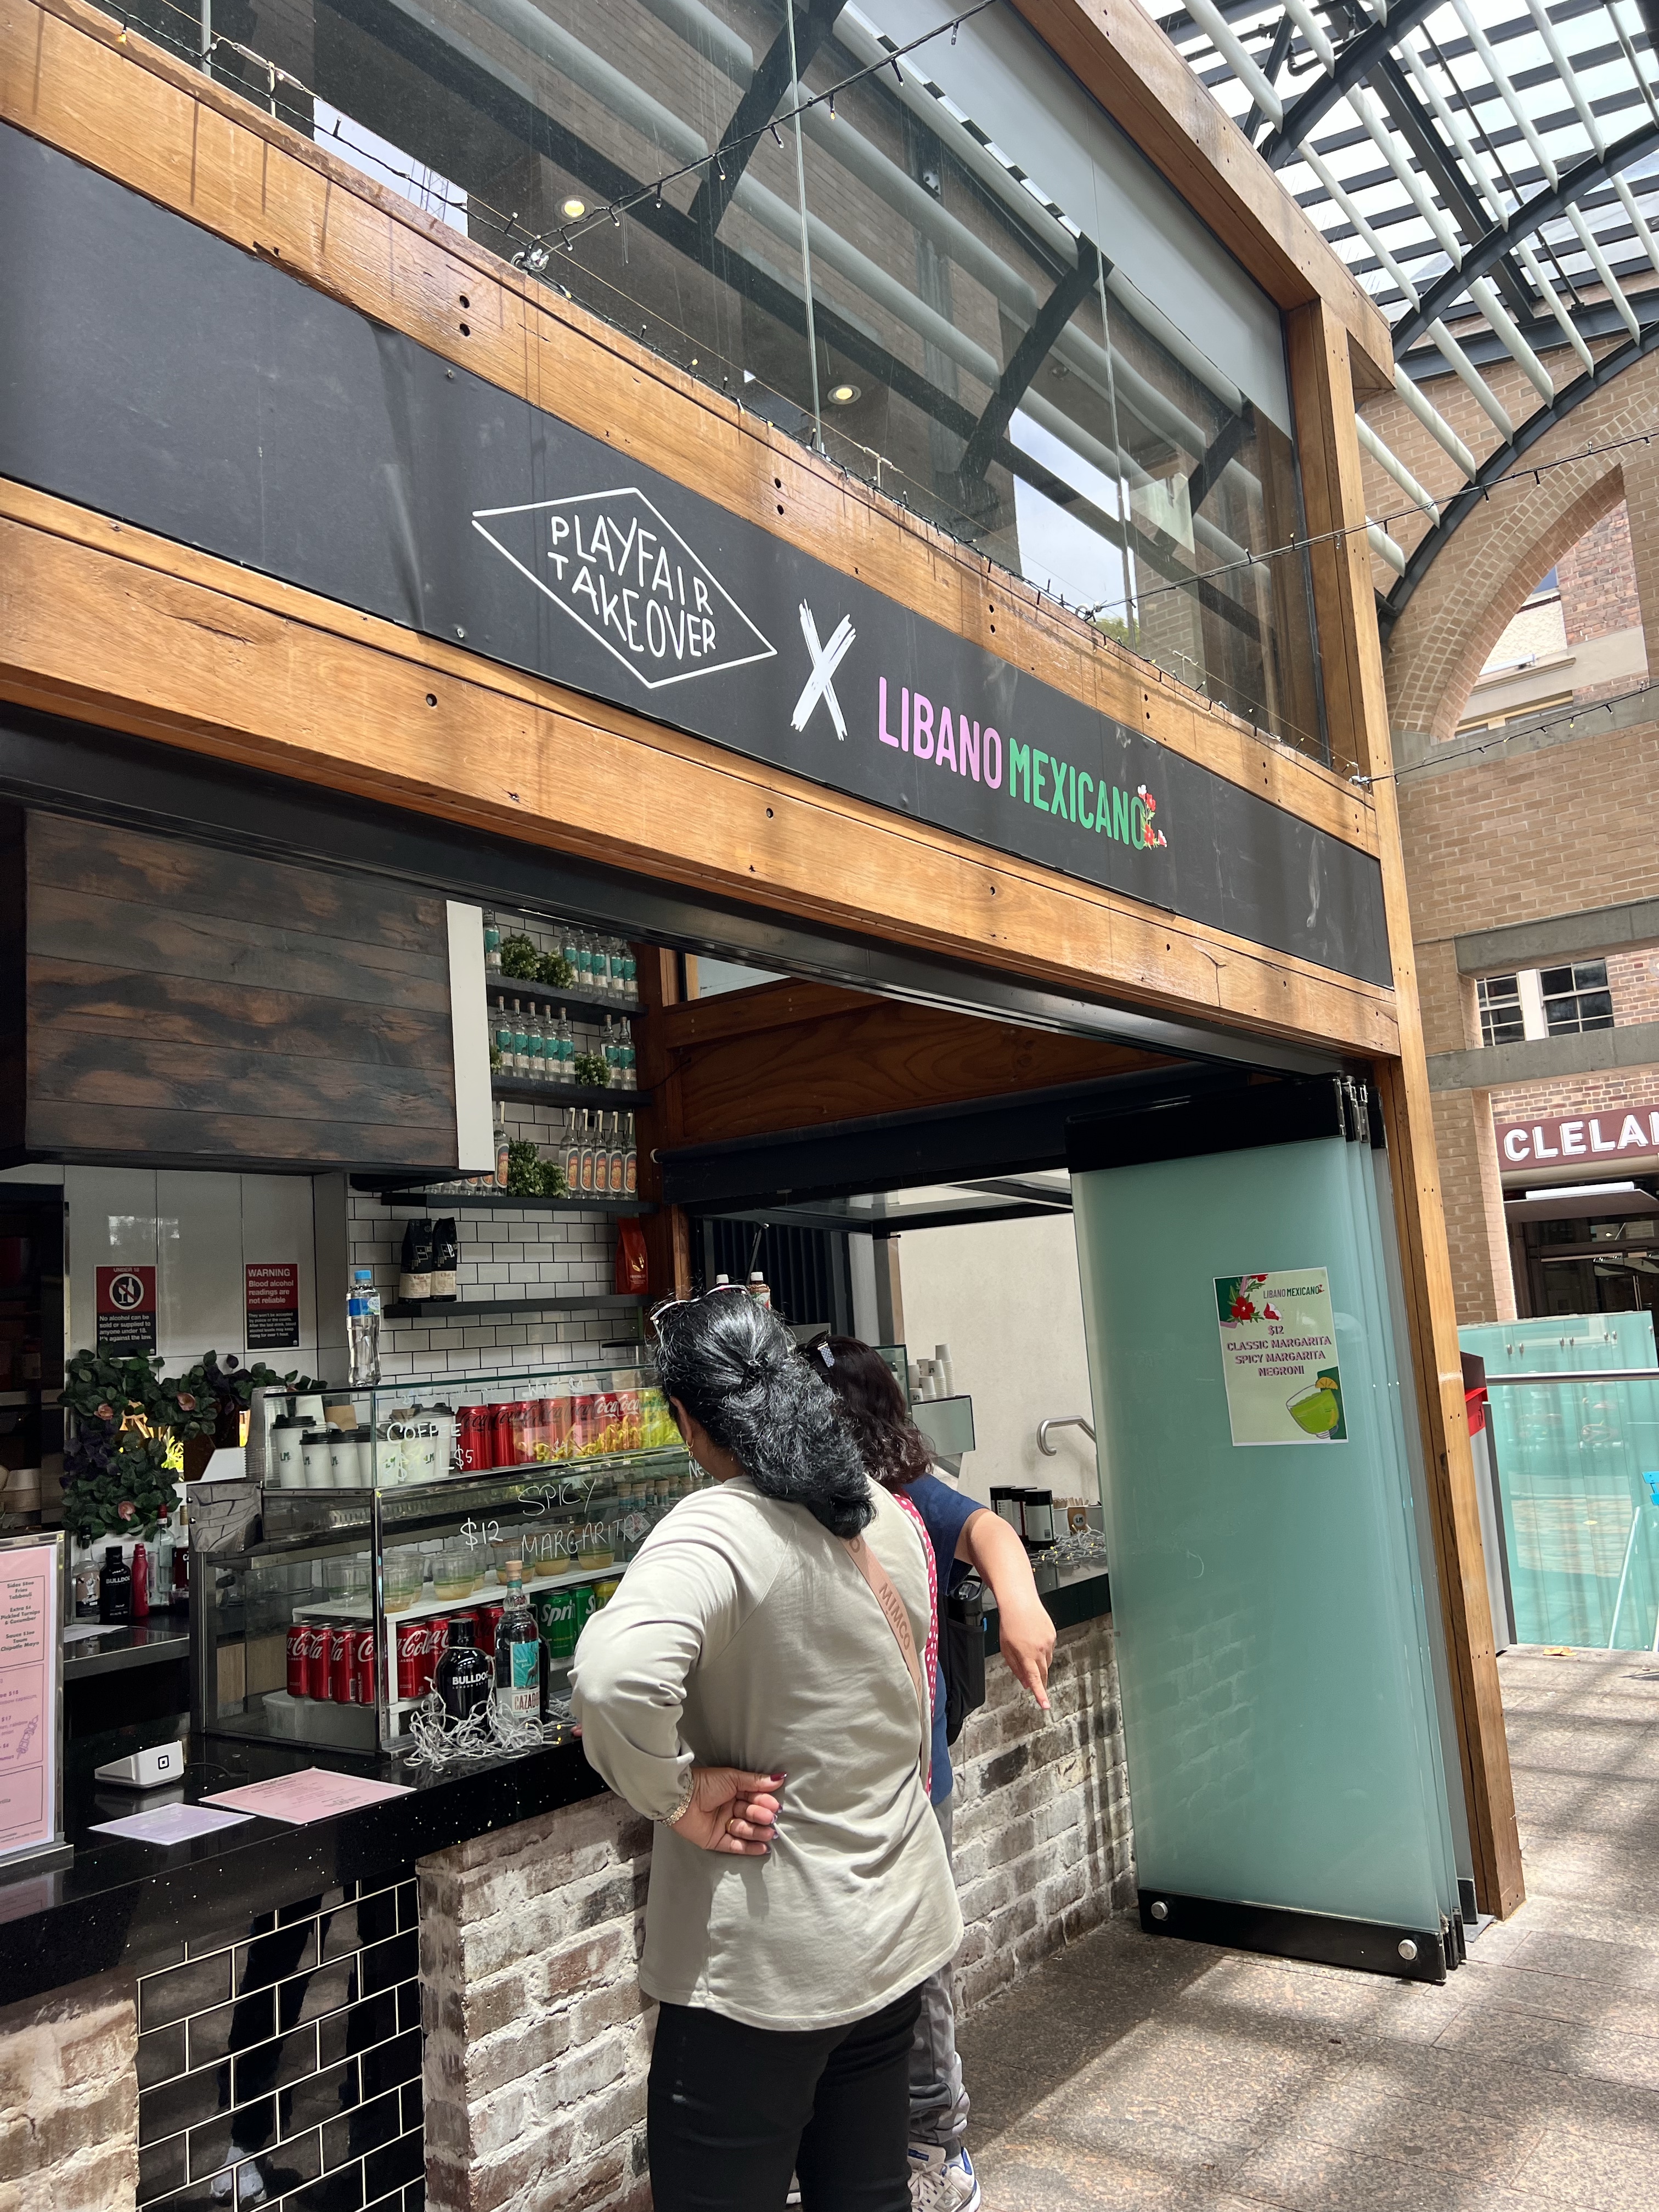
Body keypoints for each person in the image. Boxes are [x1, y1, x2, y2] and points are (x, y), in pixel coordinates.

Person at [571, 1289, 962, 2212]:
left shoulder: (719, 1525)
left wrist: (677, 1797)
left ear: (687, 1419)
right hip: (893, 1930)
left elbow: (615, 1679)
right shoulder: (879, 1510)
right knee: (866, 2195)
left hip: (766, 1966)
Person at [809, 1336, 1058, 2212]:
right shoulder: (793, 1498)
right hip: (832, 1788)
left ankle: (938, 2150)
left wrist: (1021, 1604)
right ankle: (848, 2144)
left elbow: (989, 1531)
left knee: (919, 1969)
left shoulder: (902, 1493)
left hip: (914, 1787)